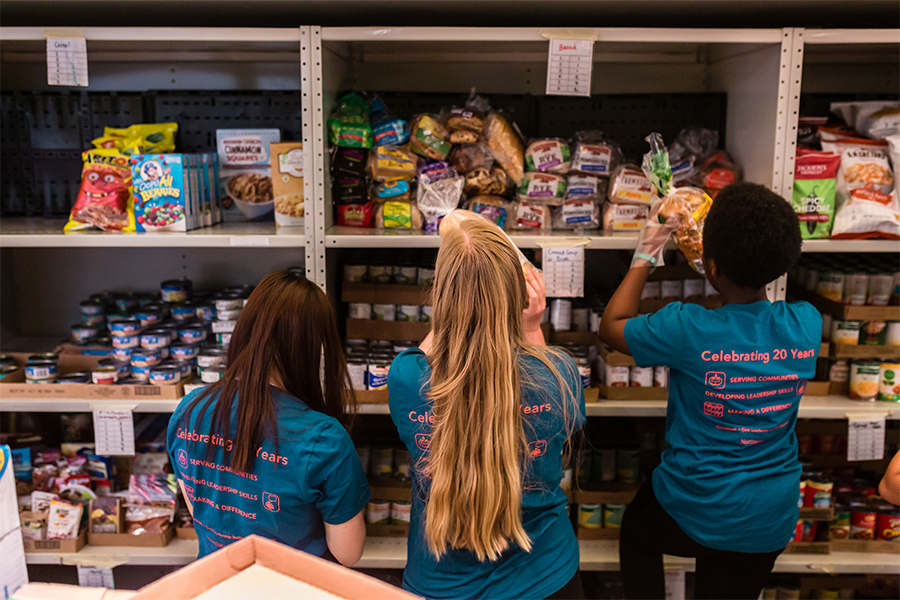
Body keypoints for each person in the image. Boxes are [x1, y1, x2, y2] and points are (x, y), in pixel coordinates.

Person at [599, 183, 821, 600]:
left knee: (636, 531)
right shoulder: (806, 323)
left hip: (694, 504)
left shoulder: (688, 329)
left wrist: (647, 251)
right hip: (768, 517)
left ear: (711, 267)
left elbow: (612, 326)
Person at [388, 218, 586, 600]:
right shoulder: (558, 372)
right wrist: (531, 326)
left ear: (440, 296)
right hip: (545, 577)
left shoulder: (407, 376)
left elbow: (438, 353)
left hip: (443, 584)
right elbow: (558, 421)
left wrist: (458, 303)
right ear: (516, 295)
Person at [167, 270, 370, 565]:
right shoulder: (323, 438)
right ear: (312, 348)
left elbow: (200, 506)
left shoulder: (188, 411)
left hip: (217, 583)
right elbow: (348, 553)